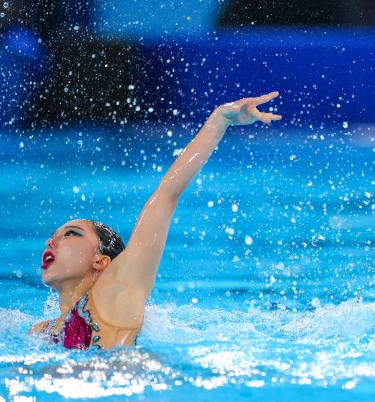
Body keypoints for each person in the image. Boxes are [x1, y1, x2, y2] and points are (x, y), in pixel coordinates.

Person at [29, 92, 282, 349]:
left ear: (101, 261)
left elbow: (166, 195)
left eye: (71, 233)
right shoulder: (41, 331)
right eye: (55, 235)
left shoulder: (115, 292)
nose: (52, 240)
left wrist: (219, 120)